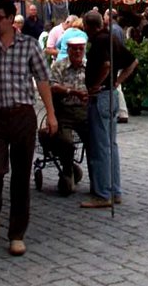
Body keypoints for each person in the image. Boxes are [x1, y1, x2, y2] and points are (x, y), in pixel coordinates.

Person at [0, 0, 58, 257]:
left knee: (21, 176)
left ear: (10, 18)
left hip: (22, 116)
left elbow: (42, 79)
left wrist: (50, 114)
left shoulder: (29, 45)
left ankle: (17, 234)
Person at [80, 10, 137, 209]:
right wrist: (117, 82)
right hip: (111, 95)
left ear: (88, 26)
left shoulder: (99, 41)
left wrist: (96, 84)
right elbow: (133, 62)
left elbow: (105, 64)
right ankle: (115, 190)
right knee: (111, 145)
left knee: (100, 146)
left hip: (101, 96)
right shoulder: (112, 38)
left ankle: (103, 193)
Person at [48, 37, 89, 195]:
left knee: (94, 142)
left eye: (80, 48)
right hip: (64, 111)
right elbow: (52, 86)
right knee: (66, 142)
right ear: (68, 50)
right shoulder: (59, 66)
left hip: (84, 112)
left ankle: (97, 180)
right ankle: (68, 171)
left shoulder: (88, 66)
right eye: (74, 49)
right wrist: (71, 91)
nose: (78, 52)